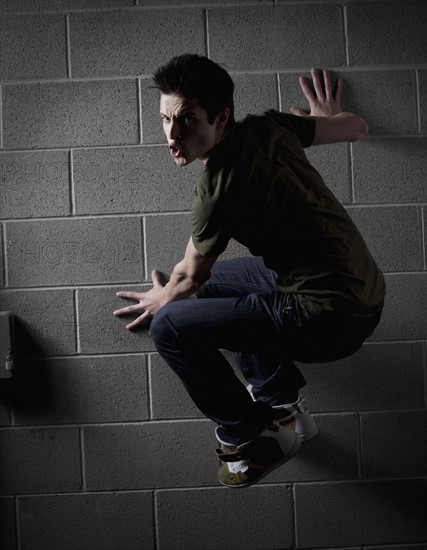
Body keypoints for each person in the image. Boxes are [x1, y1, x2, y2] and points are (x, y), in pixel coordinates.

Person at [114, 54, 385, 489]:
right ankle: (283, 407)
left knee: (169, 327)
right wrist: (324, 118)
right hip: (360, 288)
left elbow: (188, 278)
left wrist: (159, 299)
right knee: (221, 289)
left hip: (330, 318)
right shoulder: (271, 127)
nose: (173, 135)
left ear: (220, 118)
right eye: (166, 120)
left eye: (186, 120)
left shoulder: (218, 188)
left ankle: (256, 437)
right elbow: (356, 127)